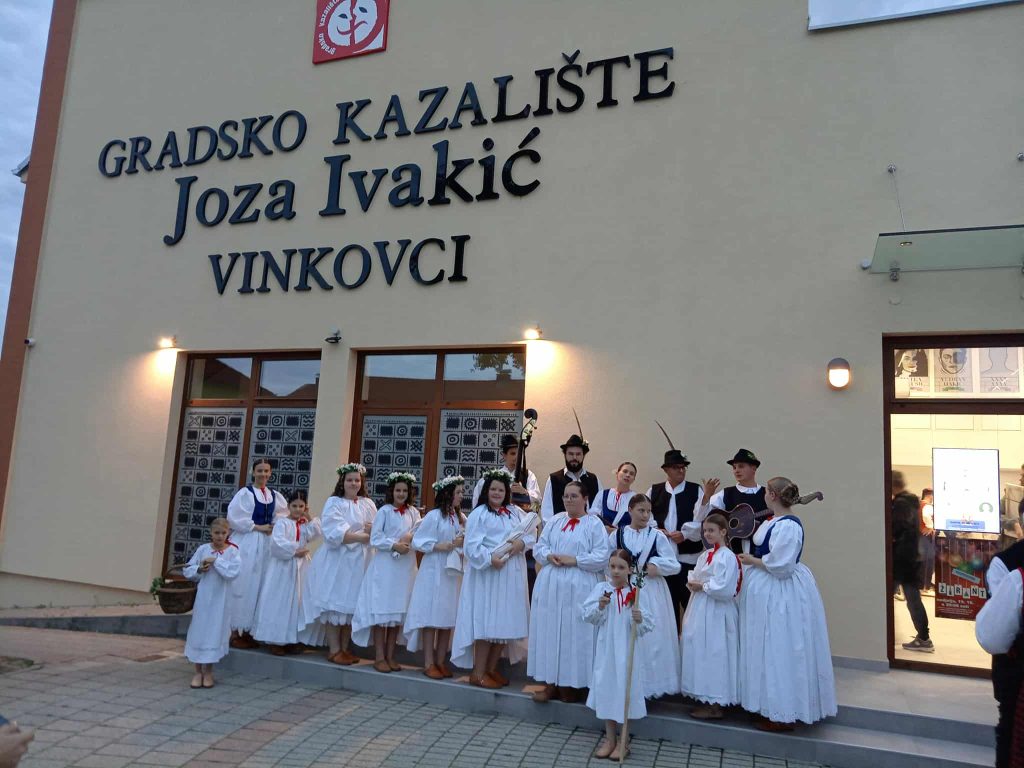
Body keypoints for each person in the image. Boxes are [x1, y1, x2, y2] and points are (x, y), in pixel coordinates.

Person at [738, 476, 836, 731]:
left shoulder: (789, 526)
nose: (763, 495)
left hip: (781, 592)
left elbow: (782, 565)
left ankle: (783, 712)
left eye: (766, 491)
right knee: (765, 646)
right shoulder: (774, 520)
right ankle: (768, 705)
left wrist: (752, 560)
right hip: (766, 587)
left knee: (779, 646)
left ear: (772, 495)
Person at [452, 468, 535, 687]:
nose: (497, 493)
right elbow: (471, 547)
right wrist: (490, 559)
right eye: (493, 489)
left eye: (501, 490)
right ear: (486, 491)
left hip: (510, 575)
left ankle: (490, 669)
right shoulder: (479, 514)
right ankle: (478, 673)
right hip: (488, 576)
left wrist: (521, 544)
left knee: (504, 622)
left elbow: (532, 534)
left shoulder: (515, 512)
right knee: (487, 622)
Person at [528, 480, 610, 703]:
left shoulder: (594, 524)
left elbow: (602, 556)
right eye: (565, 496)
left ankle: (574, 684)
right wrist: (548, 556)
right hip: (552, 586)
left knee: (577, 634)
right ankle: (550, 683)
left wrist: (575, 560)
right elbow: (539, 546)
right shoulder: (555, 521)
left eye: (574, 496)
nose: (568, 500)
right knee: (551, 632)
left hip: (581, 587)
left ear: (585, 499)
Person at [582, 549, 653, 761]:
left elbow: (647, 624)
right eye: (612, 566)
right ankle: (610, 738)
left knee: (624, 689)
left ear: (629, 570)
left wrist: (639, 618)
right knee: (607, 688)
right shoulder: (602, 589)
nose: (615, 571)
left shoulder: (636, 592)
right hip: (607, 649)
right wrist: (600, 607)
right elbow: (588, 616)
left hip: (626, 650)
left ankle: (624, 740)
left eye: (621, 567)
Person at [302, 463, 374, 665]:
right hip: (339, 561)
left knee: (350, 605)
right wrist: (361, 536)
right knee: (335, 604)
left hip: (360, 561)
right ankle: (334, 649)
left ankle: (344, 648)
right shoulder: (334, 503)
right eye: (350, 480)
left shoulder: (368, 504)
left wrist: (370, 532)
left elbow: (375, 528)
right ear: (342, 482)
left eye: (357, 480)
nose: (353, 483)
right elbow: (334, 534)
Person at [610, 493, 681, 699]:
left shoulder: (656, 536)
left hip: (650, 590)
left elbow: (673, 564)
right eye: (641, 510)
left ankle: (649, 688)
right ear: (630, 510)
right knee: (624, 636)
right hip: (624, 589)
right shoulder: (617, 535)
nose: (645, 515)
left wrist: (655, 566)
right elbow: (607, 561)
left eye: (648, 511)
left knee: (651, 638)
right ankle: (625, 686)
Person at [352, 472, 421, 673]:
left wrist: (409, 541)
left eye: (405, 491)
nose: (401, 494)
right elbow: (375, 538)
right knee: (382, 614)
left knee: (396, 615)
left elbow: (418, 534)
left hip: (405, 568)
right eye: (398, 490)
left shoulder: (414, 513)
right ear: (392, 491)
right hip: (385, 568)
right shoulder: (384, 511)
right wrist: (394, 545)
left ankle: (391, 656)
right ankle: (379, 656)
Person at [405, 475, 466, 679]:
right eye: (458, 492)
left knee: (447, 616)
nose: (461, 496)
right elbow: (418, 541)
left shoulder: (459, 517)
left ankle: (441, 661)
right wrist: (439, 546)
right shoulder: (433, 516)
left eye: (462, 492)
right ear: (448, 494)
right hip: (434, 569)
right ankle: (429, 662)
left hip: (451, 571)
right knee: (431, 615)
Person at [681, 512, 741, 719]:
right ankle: (705, 697)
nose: (707, 534)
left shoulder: (727, 557)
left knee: (716, 651)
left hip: (716, 610)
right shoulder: (705, 555)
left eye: (711, 530)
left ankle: (716, 703)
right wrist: (694, 582)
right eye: (705, 530)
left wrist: (704, 586)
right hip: (701, 608)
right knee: (702, 650)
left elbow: (726, 587)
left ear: (723, 532)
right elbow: (696, 574)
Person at [647, 448, 713, 627]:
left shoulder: (695, 490)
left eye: (683, 467)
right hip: (664, 560)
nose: (681, 471)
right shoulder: (654, 491)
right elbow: (647, 518)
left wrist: (685, 534)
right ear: (666, 470)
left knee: (691, 609)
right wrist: (658, 532)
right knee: (667, 611)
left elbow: (701, 519)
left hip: (688, 560)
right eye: (676, 467)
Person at [227, 458, 287, 648]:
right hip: (248, 541)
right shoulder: (245, 493)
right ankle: (234, 632)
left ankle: (250, 631)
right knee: (244, 583)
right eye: (259, 470)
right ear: (253, 472)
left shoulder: (274, 495)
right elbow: (234, 517)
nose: (263, 474)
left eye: (266, 471)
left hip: (267, 543)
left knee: (260, 585)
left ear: (270, 473)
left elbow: (282, 516)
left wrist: (275, 526)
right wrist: (257, 527)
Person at [252, 490, 321, 655]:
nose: (298, 509)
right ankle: (274, 639)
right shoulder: (282, 523)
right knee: (280, 600)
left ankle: (293, 639)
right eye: (294, 506)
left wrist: (309, 516)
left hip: (301, 567)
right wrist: (294, 550)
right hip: (283, 568)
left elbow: (316, 533)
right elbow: (276, 543)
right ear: (289, 506)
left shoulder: (304, 523)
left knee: (298, 601)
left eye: (301, 506)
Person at [977, 538, 1024, 768]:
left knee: (1012, 738)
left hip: (1017, 675)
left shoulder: (1017, 576)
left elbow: (993, 635)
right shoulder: (1008, 564)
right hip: (1014, 673)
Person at [182, 518, 241, 688]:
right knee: (200, 630)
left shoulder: (233, 551)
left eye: (223, 533)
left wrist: (217, 561)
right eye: (217, 533)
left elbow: (233, 572)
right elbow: (188, 569)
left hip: (221, 600)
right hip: (204, 598)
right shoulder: (203, 549)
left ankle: (208, 671)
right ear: (211, 533)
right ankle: (197, 671)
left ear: (228, 533)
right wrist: (199, 569)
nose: (220, 536)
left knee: (215, 631)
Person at [891, 471, 932, 652]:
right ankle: (923, 637)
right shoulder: (911, 501)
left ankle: (923, 637)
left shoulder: (900, 503)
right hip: (911, 557)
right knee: (913, 599)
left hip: (902, 558)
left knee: (908, 599)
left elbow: (896, 528)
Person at [701, 449, 767, 555]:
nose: (736, 470)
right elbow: (704, 517)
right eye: (734, 467)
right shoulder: (726, 494)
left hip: (761, 554)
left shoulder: (767, 494)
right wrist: (707, 497)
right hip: (732, 553)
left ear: (753, 468)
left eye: (741, 466)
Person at [540, 434, 601, 522]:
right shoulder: (554, 479)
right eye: (571, 454)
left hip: (589, 529)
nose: (574, 457)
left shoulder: (594, 480)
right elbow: (547, 513)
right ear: (565, 455)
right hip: (560, 529)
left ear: (583, 455)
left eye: (578, 454)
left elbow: (599, 510)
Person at [471, 434, 540, 509]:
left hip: (522, 515)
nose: (516, 457)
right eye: (513, 453)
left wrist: (525, 492)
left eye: (519, 453)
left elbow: (538, 500)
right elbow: (478, 502)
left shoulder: (528, 475)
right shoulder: (493, 477)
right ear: (504, 455)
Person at [590, 462, 640, 531]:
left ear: (634, 479)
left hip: (624, 537)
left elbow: (639, 524)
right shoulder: (602, 494)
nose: (628, 475)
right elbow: (593, 518)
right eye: (625, 471)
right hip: (604, 535)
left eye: (631, 474)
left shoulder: (636, 499)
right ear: (617, 473)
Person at [918, 488, 935, 595]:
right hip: (926, 536)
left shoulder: (917, 505)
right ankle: (926, 588)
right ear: (929, 495)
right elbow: (925, 516)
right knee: (929, 562)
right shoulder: (927, 506)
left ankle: (921, 586)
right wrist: (930, 526)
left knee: (922, 562)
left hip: (919, 535)